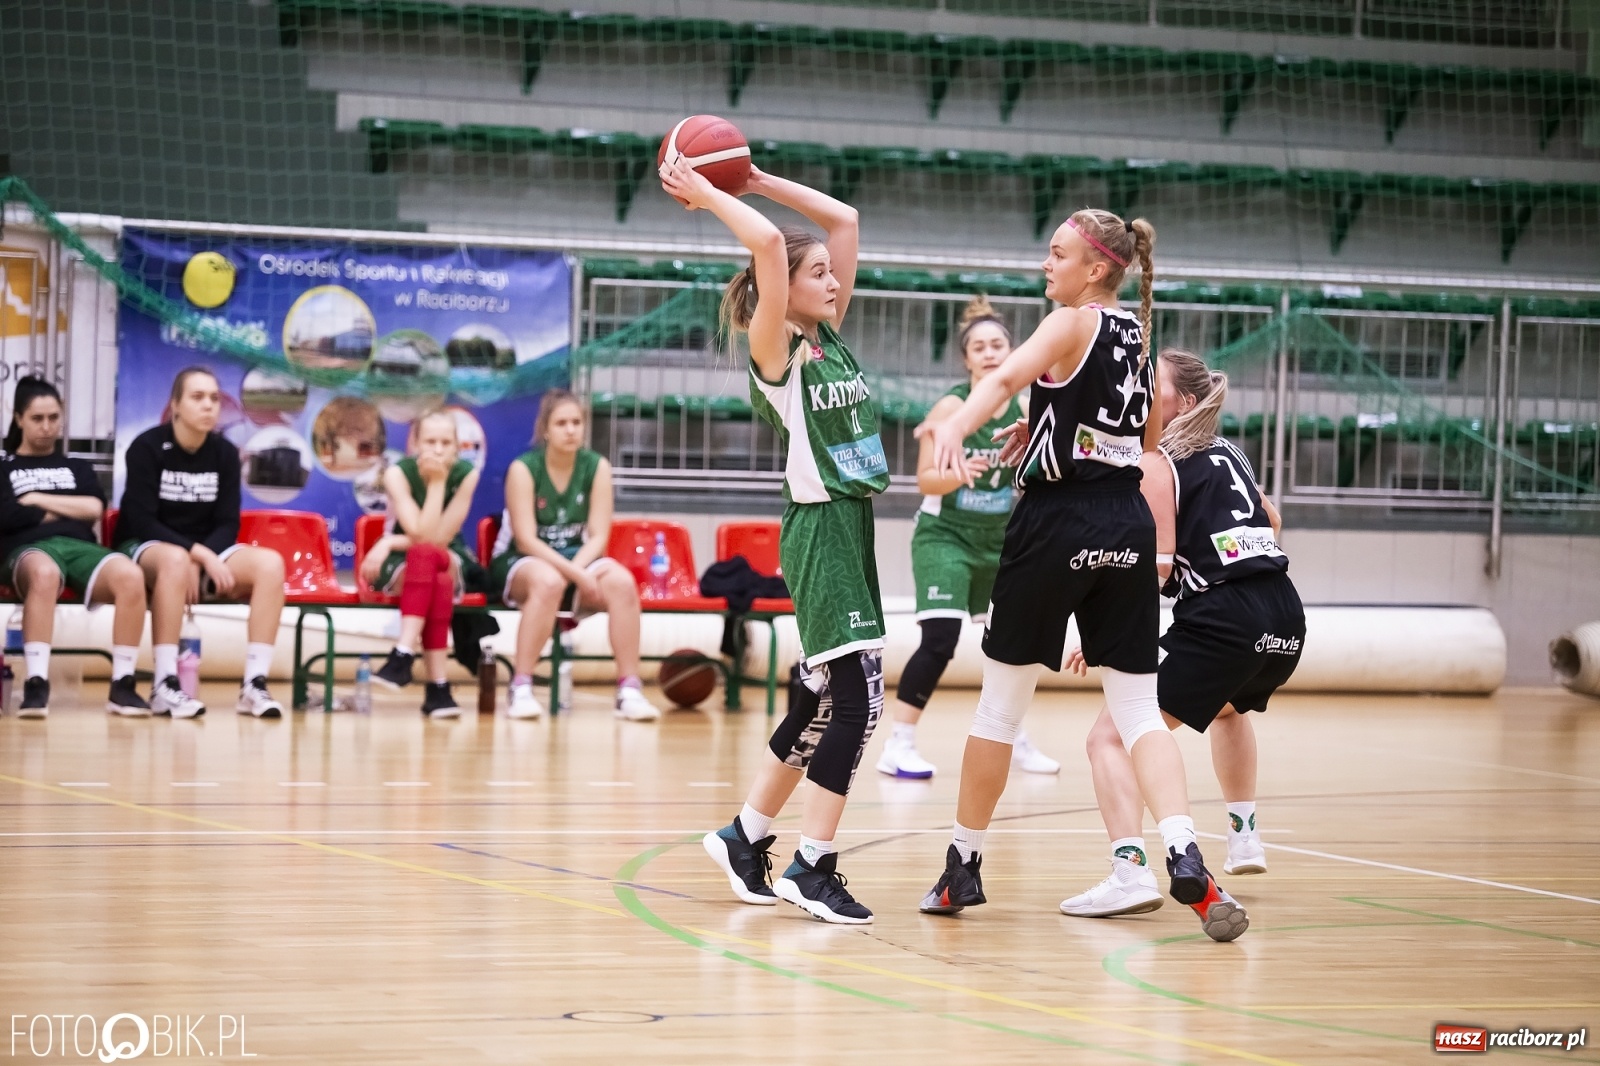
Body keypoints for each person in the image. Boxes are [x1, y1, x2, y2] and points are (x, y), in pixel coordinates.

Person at [914, 208, 1248, 943]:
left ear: (1095, 268)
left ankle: (961, 865)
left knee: (999, 709)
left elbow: (1001, 378)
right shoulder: (1138, 335)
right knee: (1137, 710)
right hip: (1124, 520)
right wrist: (1046, 429)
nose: (1046, 264)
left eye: (1057, 252)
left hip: (1054, 524)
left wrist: (952, 427)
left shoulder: (1071, 321)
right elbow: (1144, 438)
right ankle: (1187, 854)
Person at [662, 155, 887, 924]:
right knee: (860, 698)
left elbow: (846, 220)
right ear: (781, 291)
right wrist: (714, 194)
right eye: (816, 273)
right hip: (819, 528)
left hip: (849, 525)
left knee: (826, 698)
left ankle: (745, 833)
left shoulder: (831, 339)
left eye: (832, 273)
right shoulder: (778, 353)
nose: (832, 280)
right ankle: (812, 865)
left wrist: (754, 178)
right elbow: (765, 250)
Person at [1058, 348, 1303, 920]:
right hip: (1284, 611)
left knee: (1110, 738)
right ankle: (1245, 835)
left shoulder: (1157, 464)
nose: (1139, 390)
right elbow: (1271, 519)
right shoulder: (1228, 452)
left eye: (1152, 383)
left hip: (1227, 617)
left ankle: (1129, 872)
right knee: (1228, 710)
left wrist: (1103, 634)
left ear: (1183, 404)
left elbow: (1155, 570)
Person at [879, 294, 1059, 779]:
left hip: (1000, 542)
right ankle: (899, 743)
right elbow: (925, 482)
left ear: (1012, 350)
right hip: (946, 536)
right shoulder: (952, 406)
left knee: (1013, 643)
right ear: (965, 358)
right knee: (940, 638)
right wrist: (961, 473)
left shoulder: (1029, 405)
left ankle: (1014, 739)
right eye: (978, 346)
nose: (989, 352)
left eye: (997, 343)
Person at [118, 366, 287, 719]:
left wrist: (203, 558)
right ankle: (165, 684)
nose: (209, 406)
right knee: (175, 561)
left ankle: (254, 685)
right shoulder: (147, 447)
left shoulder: (225, 453)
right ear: (176, 405)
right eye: (197, 397)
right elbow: (141, 520)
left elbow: (228, 522)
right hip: (145, 548)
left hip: (202, 552)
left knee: (271, 564)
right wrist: (196, 556)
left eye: (213, 398)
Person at [489, 388, 661, 722]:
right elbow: (525, 540)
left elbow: (599, 535)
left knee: (623, 583)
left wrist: (578, 571)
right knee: (548, 582)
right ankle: (521, 686)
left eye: (576, 422)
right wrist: (577, 575)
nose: (570, 429)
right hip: (520, 560)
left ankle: (629, 689)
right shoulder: (523, 469)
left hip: (574, 558)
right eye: (561, 423)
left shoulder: (596, 467)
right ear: (546, 430)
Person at [0, 377, 150, 717]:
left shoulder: (77, 467)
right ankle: (37, 682)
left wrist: (36, 500)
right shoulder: (5, 466)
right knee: (44, 572)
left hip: (81, 548)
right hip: (27, 549)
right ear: (19, 419)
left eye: (54, 418)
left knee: (130, 575)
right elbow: (7, 516)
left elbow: (94, 509)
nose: (47, 427)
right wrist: (66, 507)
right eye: (37, 419)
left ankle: (123, 684)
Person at [363, 408, 484, 719]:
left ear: (457, 446)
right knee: (433, 573)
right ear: (414, 444)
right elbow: (418, 532)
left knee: (428, 556)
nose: (439, 450)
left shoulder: (467, 475)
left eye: (447, 442)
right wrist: (392, 542)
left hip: (448, 553)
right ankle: (437, 690)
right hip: (406, 560)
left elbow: (437, 538)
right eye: (431, 442)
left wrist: (439, 482)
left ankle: (403, 654)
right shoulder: (396, 474)